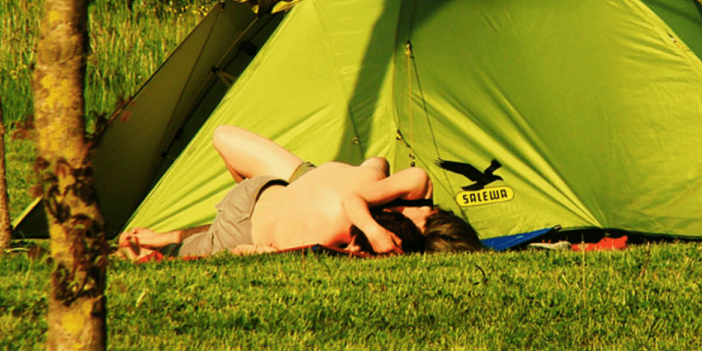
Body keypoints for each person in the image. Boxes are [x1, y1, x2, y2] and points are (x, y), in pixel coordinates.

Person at [117, 125, 484, 259]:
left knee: (156, 252)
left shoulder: (358, 237)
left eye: (411, 225)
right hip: (280, 184)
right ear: (434, 212)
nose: (405, 214)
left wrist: (373, 228)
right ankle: (182, 234)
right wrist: (374, 209)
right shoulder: (416, 188)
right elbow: (364, 182)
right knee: (222, 136)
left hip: (243, 229)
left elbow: (353, 203)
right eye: (417, 216)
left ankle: (162, 241)